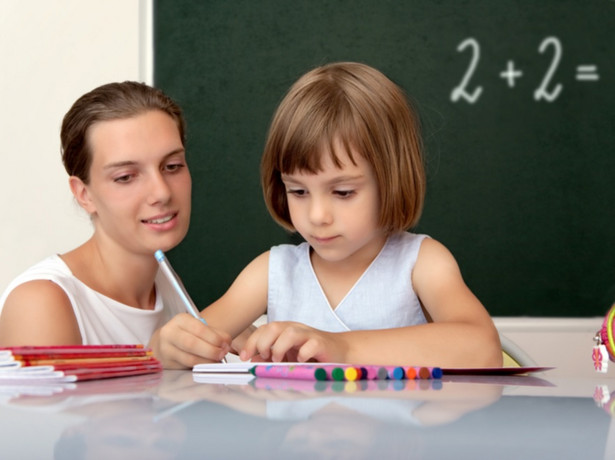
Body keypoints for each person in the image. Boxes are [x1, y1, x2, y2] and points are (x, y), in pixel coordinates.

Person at [179, 61, 502, 369]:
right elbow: (184, 348)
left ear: (392, 180)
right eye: (298, 191)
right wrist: (176, 347)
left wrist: (340, 347)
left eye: (343, 192)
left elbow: (483, 349)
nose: (317, 216)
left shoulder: (423, 263)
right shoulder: (272, 272)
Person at [0, 82, 232, 366]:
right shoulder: (39, 302)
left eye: (172, 166)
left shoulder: (164, 282)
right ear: (84, 194)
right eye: (125, 177)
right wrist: (152, 360)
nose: (162, 192)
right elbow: (51, 411)